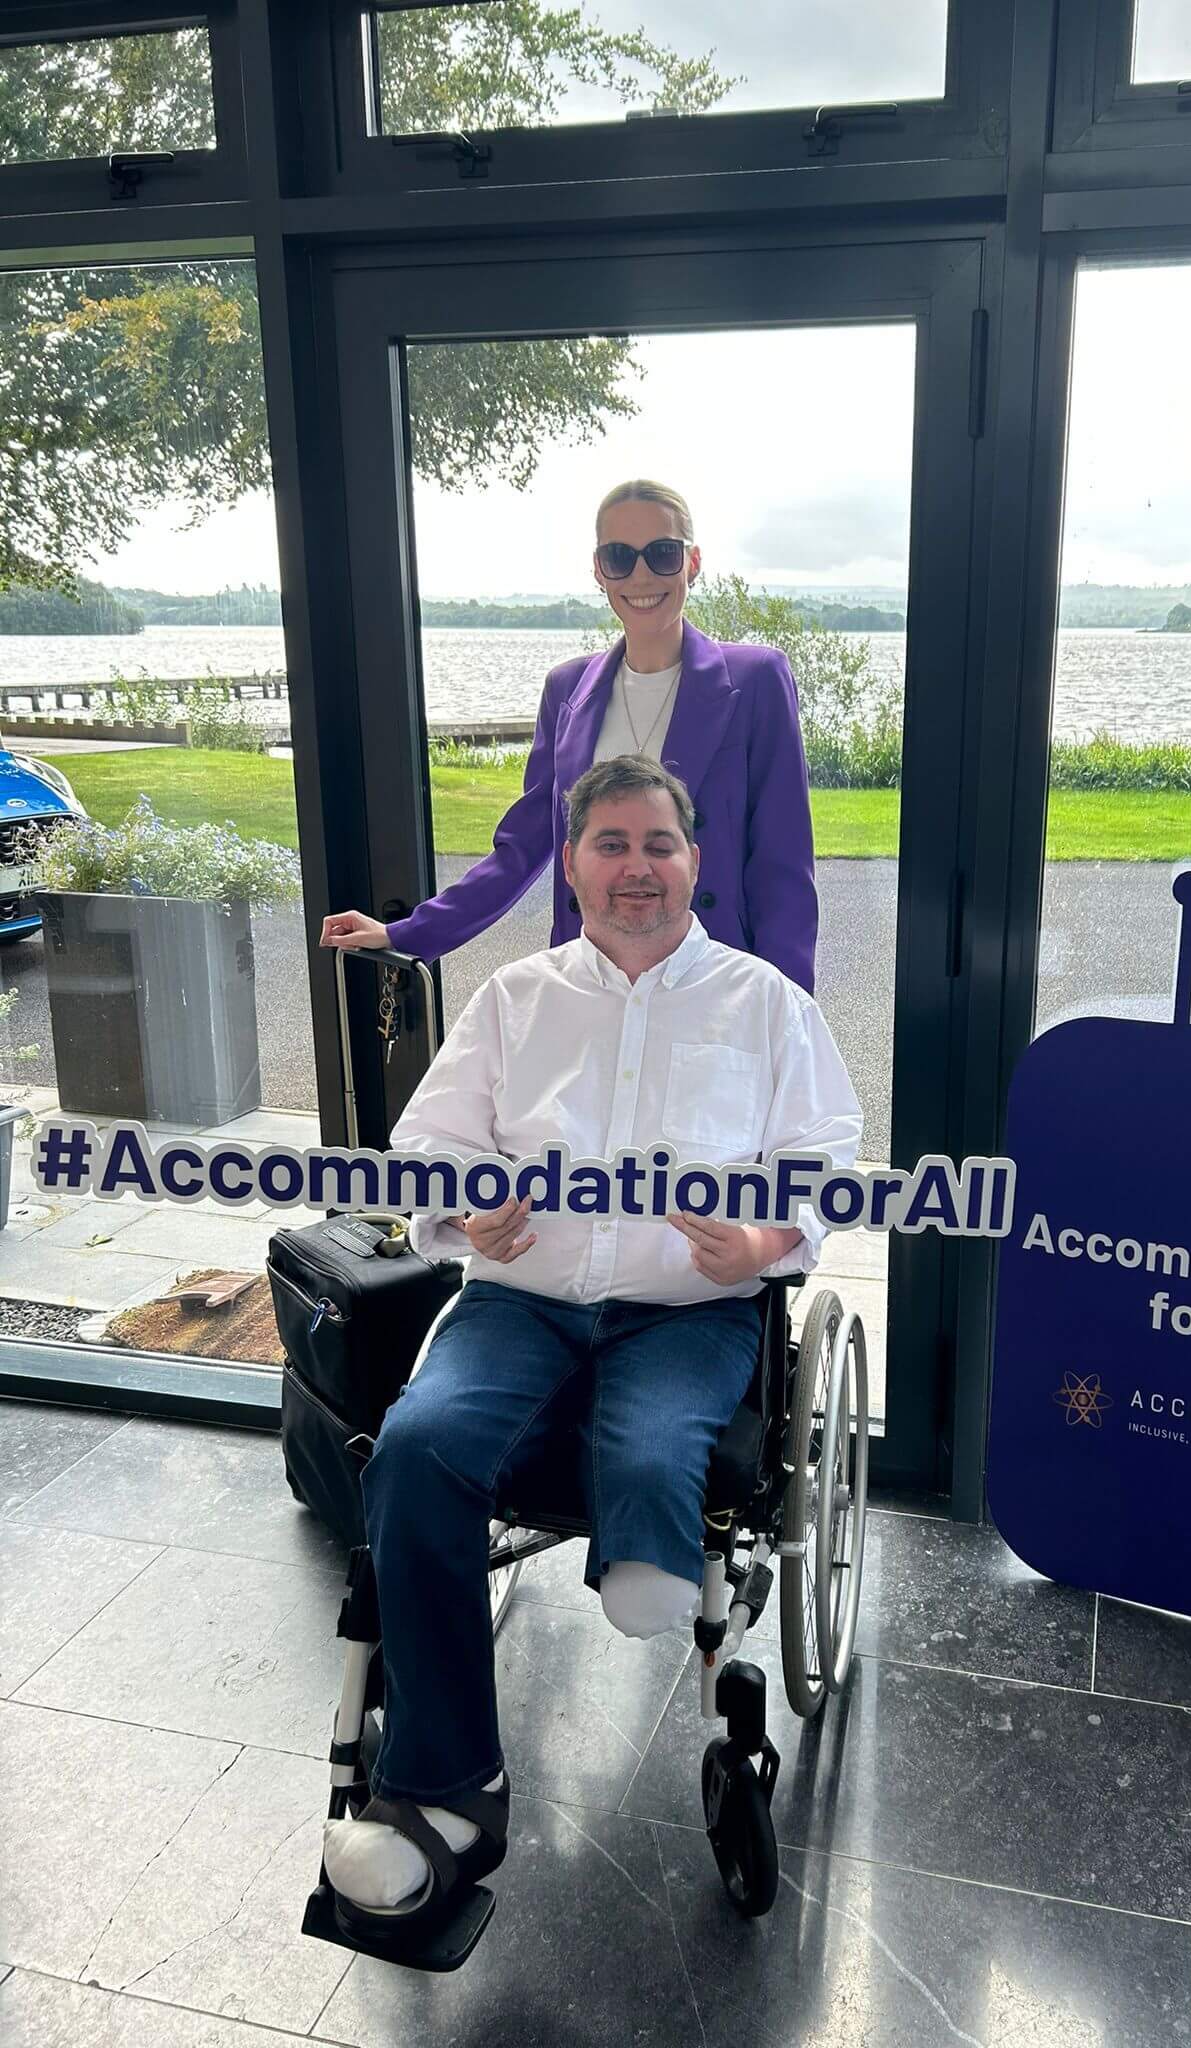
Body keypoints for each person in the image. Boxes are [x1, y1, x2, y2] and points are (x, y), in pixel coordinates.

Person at [321, 753, 861, 1937]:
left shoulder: (766, 1004)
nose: (635, 867)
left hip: (690, 1305)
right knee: (414, 1447)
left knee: (661, 1435)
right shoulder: (515, 1000)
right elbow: (428, 1144)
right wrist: (469, 1207)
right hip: (523, 1296)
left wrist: (769, 1232)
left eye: (657, 843)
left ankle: (649, 1541)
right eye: (610, 844)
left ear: (694, 861)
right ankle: (449, 1790)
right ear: (573, 864)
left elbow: (828, 1158)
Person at [319, 479, 819, 992]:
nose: (641, 574)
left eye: (663, 553)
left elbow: (783, 870)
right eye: (620, 556)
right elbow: (521, 849)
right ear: (599, 570)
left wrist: (789, 1018)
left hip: (712, 980)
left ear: (692, 562)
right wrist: (407, 932)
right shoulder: (566, 689)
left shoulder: (757, 680)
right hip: (589, 980)